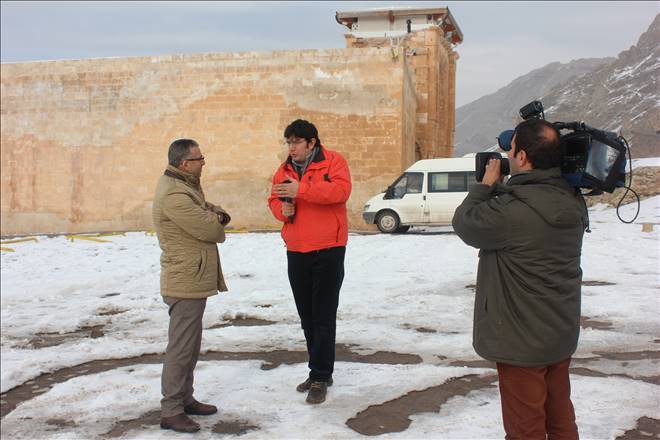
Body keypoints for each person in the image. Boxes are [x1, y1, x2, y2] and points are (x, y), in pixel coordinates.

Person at [452, 119, 587, 439]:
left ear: (523, 158)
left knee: (524, 429)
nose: (508, 156)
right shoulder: (572, 200)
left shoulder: (510, 213)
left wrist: (486, 184)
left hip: (521, 341)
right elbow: (533, 200)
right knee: (559, 417)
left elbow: (465, 222)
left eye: (512, 150)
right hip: (558, 334)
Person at [268, 119, 352, 405]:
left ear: (312, 142)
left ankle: (320, 375)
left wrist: (300, 190)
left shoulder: (333, 163)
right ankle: (318, 370)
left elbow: (340, 193)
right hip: (297, 249)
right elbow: (273, 200)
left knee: (323, 315)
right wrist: (283, 209)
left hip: (329, 249)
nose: (291, 148)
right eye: (288, 142)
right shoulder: (283, 170)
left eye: (296, 142)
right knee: (307, 316)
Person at [152, 138, 231, 433]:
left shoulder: (185, 185)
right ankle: (171, 410)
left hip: (192, 277)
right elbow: (212, 228)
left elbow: (214, 213)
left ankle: (185, 399)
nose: (203, 162)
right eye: (200, 159)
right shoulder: (175, 194)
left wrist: (215, 214)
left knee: (191, 344)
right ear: (185, 163)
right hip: (184, 279)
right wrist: (216, 218)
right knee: (181, 348)